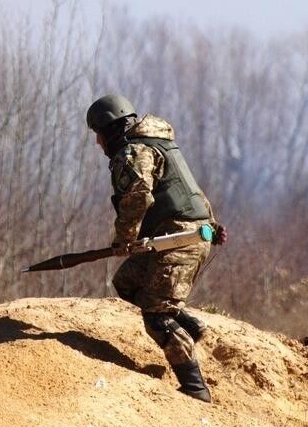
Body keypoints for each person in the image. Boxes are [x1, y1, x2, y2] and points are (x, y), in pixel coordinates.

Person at [86, 94, 227, 403]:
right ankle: (192, 328)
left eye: (98, 134)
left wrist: (124, 238)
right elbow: (190, 191)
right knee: (126, 281)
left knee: (156, 317)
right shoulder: (160, 143)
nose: (97, 142)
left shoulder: (135, 151)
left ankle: (195, 388)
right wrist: (212, 225)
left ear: (111, 129)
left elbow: (138, 197)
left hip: (179, 242)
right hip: (182, 237)